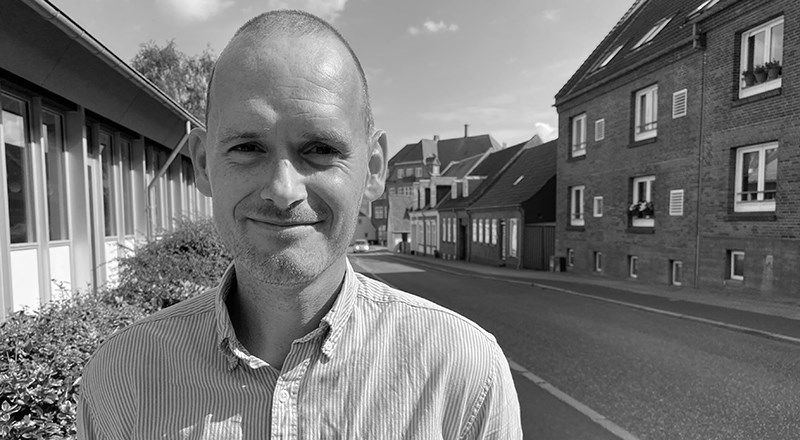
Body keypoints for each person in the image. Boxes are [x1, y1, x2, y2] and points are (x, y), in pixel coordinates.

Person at [77, 10, 522, 439]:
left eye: (321, 149)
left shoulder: (462, 375)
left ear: (373, 169)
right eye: (248, 147)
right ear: (203, 164)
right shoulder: (122, 378)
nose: (283, 189)